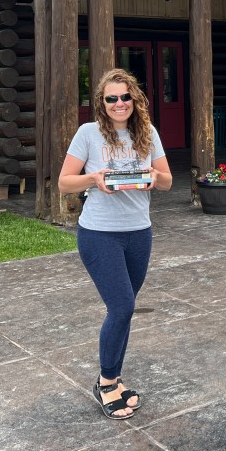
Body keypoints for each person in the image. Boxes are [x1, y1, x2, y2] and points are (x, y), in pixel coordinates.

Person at [58, 68, 172, 419]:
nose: (119, 103)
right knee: (122, 306)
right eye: (111, 98)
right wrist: (93, 178)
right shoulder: (88, 134)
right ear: (101, 103)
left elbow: (168, 181)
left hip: (139, 233)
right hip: (99, 234)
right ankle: (107, 382)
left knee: (123, 309)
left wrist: (154, 177)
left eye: (125, 97)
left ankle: (115, 378)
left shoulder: (147, 133)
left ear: (134, 99)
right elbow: (64, 183)